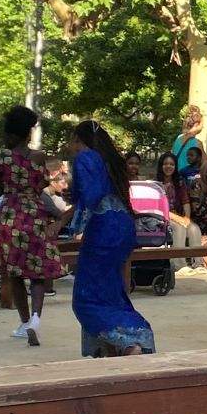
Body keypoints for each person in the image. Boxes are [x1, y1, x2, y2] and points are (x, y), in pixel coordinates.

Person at [70, 120, 155, 356]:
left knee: (86, 300)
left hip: (102, 231)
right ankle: (109, 350)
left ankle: (132, 339)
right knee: (109, 290)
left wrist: (74, 226)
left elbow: (90, 197)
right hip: (122, 228)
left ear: (78, 139)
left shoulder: (85, 158)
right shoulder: (109, 162)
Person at [0, 106, 64, 347]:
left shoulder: (0, 157)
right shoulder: (39, 157)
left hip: (11, 215)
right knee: (37, 271)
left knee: (15, 273)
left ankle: (23, 322)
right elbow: (40, 185)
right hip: (35, 214)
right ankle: (35, 319)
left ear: (10, 133)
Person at [170, 104, 205, 180]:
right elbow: (206, 165)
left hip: (175, 178)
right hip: (188, 181)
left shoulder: (178, 138)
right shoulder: (198, 144)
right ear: (197, 124)